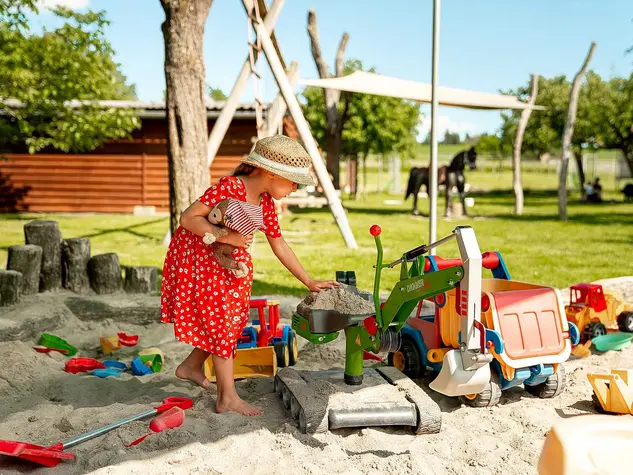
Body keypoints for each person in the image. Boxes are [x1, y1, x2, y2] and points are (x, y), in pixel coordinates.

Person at [160, 135, 340, 416]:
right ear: (270, 173)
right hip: (205, 262)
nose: (295, 188)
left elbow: (278, 243)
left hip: (232, 266)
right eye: (293, 182)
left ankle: (191, 367)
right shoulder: (230, 188)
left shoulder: (265, 202)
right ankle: (227, 398)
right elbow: (188, 218)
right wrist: (226, 236)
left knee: (229, 324)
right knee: (222, 324)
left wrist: (308, 280)